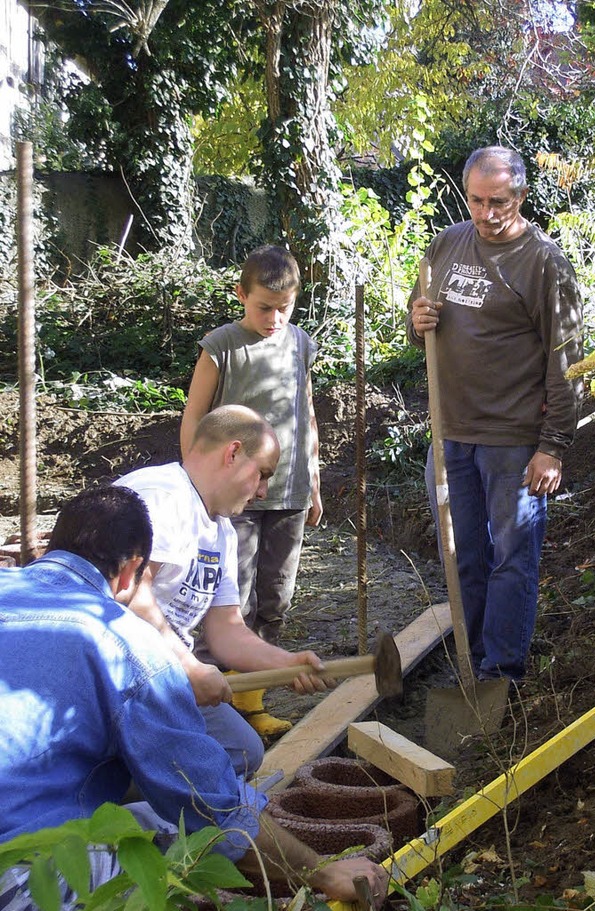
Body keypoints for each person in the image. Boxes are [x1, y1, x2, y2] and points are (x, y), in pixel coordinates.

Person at [0, 486, 389, 910]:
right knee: (177, 830)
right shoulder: (125, 642)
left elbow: (228, 632)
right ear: (132, 571)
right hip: (20, 873)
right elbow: (208, 802)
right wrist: (323, 873)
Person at [407, 145, 583, 683]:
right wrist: (417, 321)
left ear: (522, 195)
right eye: (477, 201)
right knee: (465, 556)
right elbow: (418, 332)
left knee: (512, 557)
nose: (486, 213)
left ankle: (501, 668)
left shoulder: (545, 263)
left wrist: (552, 445)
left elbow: (568, 359)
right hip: (452, 432)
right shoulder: (445, 247)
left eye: (499, 202)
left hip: (512, 439)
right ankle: (472, 655)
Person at [114, 404, 329, 779]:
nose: (263, 491)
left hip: (161, 674)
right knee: (202, 766)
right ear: (232, 453)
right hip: (110, 674)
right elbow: (131, 594)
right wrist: (188, 666)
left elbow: (227, 631)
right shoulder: (162, 496)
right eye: (262, 474)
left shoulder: (221, 533)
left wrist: (284, 663)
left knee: (240, 752)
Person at [180, 245, 322, 736]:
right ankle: (212, 705)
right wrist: (195, 489)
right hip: (233, 497)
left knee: (274, 599)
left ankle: (252, 702)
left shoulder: (301, 343)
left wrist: (314, 478)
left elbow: (305, 413)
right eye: (264, 306)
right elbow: (195, 419)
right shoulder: (222, 345)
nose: (274, 317)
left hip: (289, 492)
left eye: (285, 307)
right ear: (241, 295)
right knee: (230, 603)